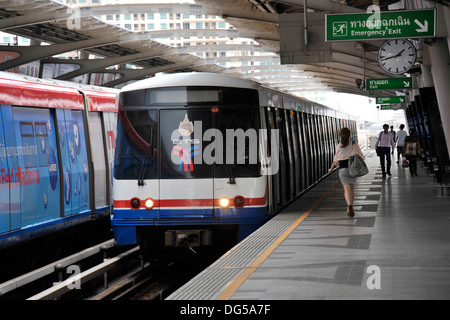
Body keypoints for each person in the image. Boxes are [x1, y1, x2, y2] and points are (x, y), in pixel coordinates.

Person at [328, 127, 365, 217]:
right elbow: (361, 155)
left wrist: (331, 168)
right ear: (349, 135)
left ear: (340, 135)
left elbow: (335, 159)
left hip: (343, 169)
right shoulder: (353, 144)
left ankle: (349, 205)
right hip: (352, 168)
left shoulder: (338, 146)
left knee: (346, 189)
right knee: (351, 189)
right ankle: (351, 205)